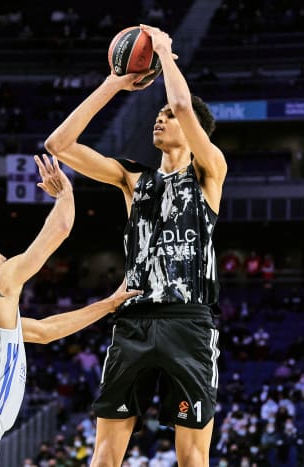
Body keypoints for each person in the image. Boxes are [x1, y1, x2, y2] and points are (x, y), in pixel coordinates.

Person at [45, 23, 227, 467]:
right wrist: (114, 82)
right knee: (105, 456)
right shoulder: (132, 178)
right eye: (156, 114)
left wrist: (163, 52)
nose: (159, 117)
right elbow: (59, 144)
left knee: (192, 458)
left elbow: (183, 103)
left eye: (166, 115)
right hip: (133, 320)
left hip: (190, 322)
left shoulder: (209, 172)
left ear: (195, 131)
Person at [0, 155, 140, 467]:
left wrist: (109, 304)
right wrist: (64, 194)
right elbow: (59, 230)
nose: (3, 256)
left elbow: (46, 332)